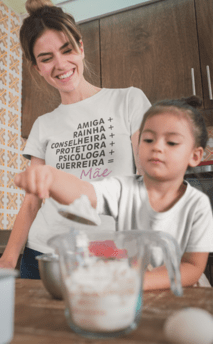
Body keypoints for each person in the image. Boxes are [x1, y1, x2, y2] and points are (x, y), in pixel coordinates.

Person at [0, 0, 151, 277]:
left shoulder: (129, 101)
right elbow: (32, 201)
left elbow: (147, 181)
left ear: (81, 48)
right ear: (37, 68)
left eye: (67, 50)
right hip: (45, 253)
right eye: (46, 58)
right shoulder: (43, 124)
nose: (60, 64)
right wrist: (8, 259)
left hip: (111, 251)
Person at [14, 96, 213, 289]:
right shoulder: (123, 189)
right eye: (149, 139)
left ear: (194, 156)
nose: (157, 148)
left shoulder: (197, 206)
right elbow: (83, 191)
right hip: (129, 288)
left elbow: (193, 266)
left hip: (178, 291)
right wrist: (49, 176)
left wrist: (140, 281)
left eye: (172, 142)